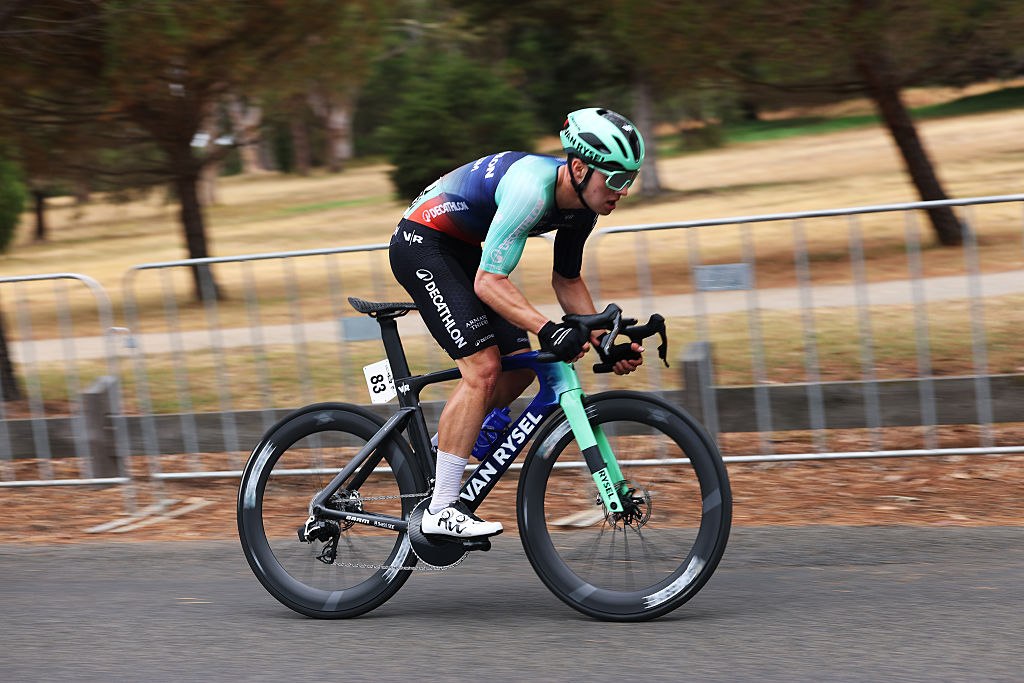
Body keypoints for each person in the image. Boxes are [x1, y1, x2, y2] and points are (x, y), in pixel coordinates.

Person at [389, 107, 647, 539]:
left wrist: (606, 341)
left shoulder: (583, 205)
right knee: (483, 369)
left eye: (630, 179)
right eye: (616, 178)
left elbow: (566, 278)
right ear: (580, 168)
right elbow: (489, 282)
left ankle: (438, 458)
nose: (622, 190)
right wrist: (550, 329)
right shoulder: (532, 189)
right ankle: (440, 510)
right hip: (424, 242)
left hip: (466, 248)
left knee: (522, 366)